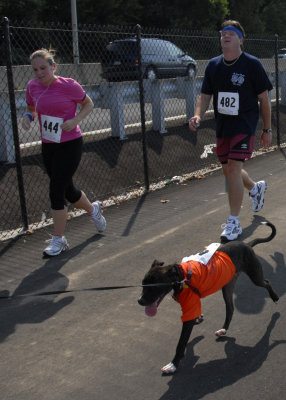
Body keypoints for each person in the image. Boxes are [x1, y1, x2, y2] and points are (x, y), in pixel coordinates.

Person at [189, 20, 273, 241]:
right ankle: (255, 188)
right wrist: (198, 114)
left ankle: (233, 222)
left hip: (244, 124)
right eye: (223, 33)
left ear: (240, 39)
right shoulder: (213, 66)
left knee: (234, 168)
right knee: (229, 171)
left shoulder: (252, 65)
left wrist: (267, 128)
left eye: (231, 33)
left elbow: (264, 99)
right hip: (223, 126)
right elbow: (205, 96)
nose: (225, 36)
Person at [22, 48, 106, 256]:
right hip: (49, 144)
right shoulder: (32, 86)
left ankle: (59, 240)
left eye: (43, 68)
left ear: (53, 66)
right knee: (68, 190)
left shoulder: (68, 85)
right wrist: (29, 116)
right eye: (35, 70)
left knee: (56, 190)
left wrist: (75, 120)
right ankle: (93, 209)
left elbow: (88, 104)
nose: (40, 73)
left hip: (70, 143)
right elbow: (32, 107)